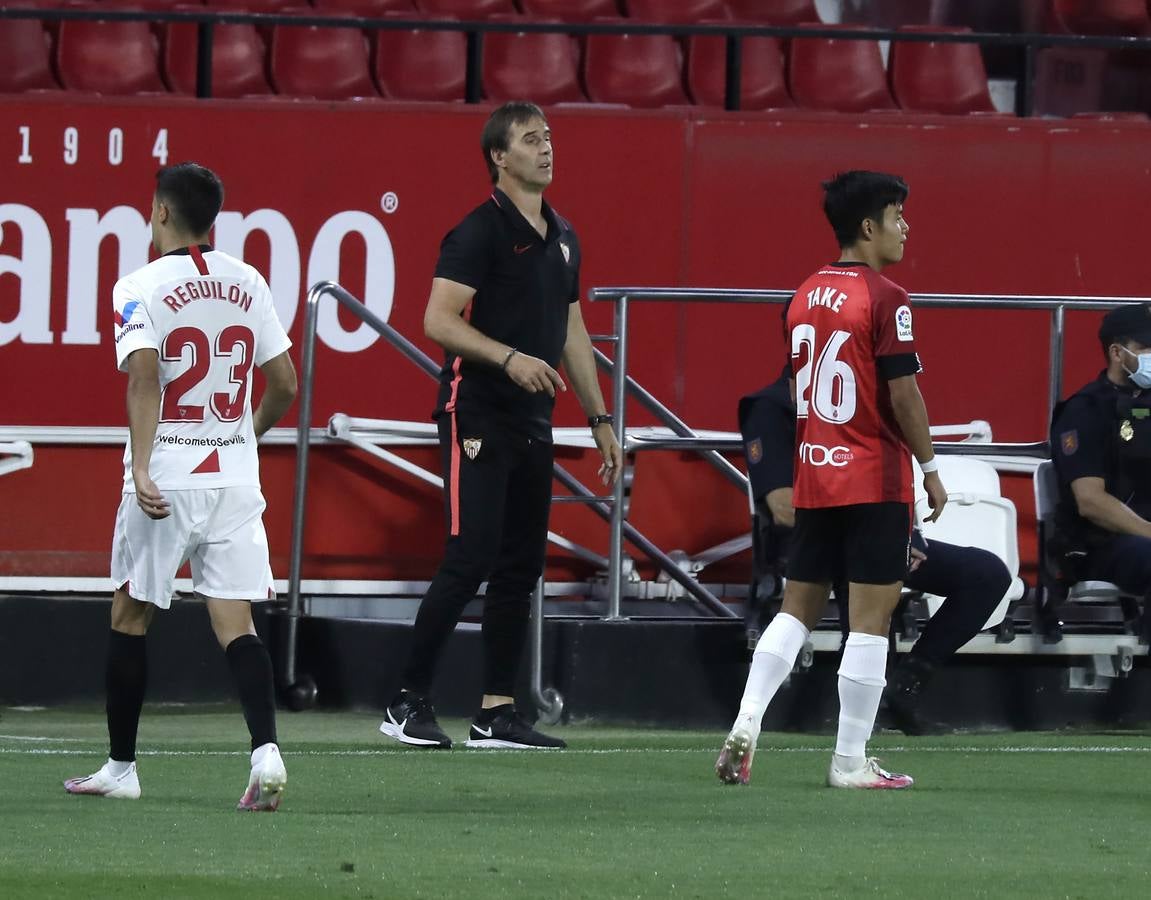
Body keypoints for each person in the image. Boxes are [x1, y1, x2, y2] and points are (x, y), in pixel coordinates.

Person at [378, 102, 622, 751]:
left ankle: (497, 712)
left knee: (519, 567)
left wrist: (599, 418)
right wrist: (508, 358)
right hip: (476, 408)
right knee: (469, 557)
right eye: (530, 140)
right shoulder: (477, 231)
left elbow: (571, 328)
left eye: (548, 138)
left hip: (534, 418)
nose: (545, 149)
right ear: (498, 156)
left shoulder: (563, 235)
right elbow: (437, 319)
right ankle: (406, 702)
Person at [64, 163, 297, 811]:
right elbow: (284, 383)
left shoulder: (138, 284)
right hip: (230, 475)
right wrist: (241, 435)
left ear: (161, 212)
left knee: (130, 612)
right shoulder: (248, 281)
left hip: (166, 473)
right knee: (235, 621)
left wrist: (140, 468)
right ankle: (266, 752)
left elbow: (144, 377)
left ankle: (121, 768)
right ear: (213, 218)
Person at [716, 170, 947, 790]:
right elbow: (904, 395)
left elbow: (799, 390)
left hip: (816, 477)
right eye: (898, 216)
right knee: (871, 621)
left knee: (795, 611)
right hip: (874, 476)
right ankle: (848, 761)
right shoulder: (887, 297)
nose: (905, 228)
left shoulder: (802, 294)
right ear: (869, 226)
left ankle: (746, 721)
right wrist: (929, 469)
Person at [739, 368, 1011, 735]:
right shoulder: (771, 407)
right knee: (861, 578)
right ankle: (837, 722)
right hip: (808, 544)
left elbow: (880, 483)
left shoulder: (856, 402)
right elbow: (783, 506)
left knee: (986, 574)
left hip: (871, 534)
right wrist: (875, 535)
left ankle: (903, 690)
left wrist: (905, 534)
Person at [1050, 303, 1151, 623]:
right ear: (1117, 353)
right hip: (1104, 546)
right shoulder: (1085, 411)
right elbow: (1091, 502)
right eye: (1147, 347)